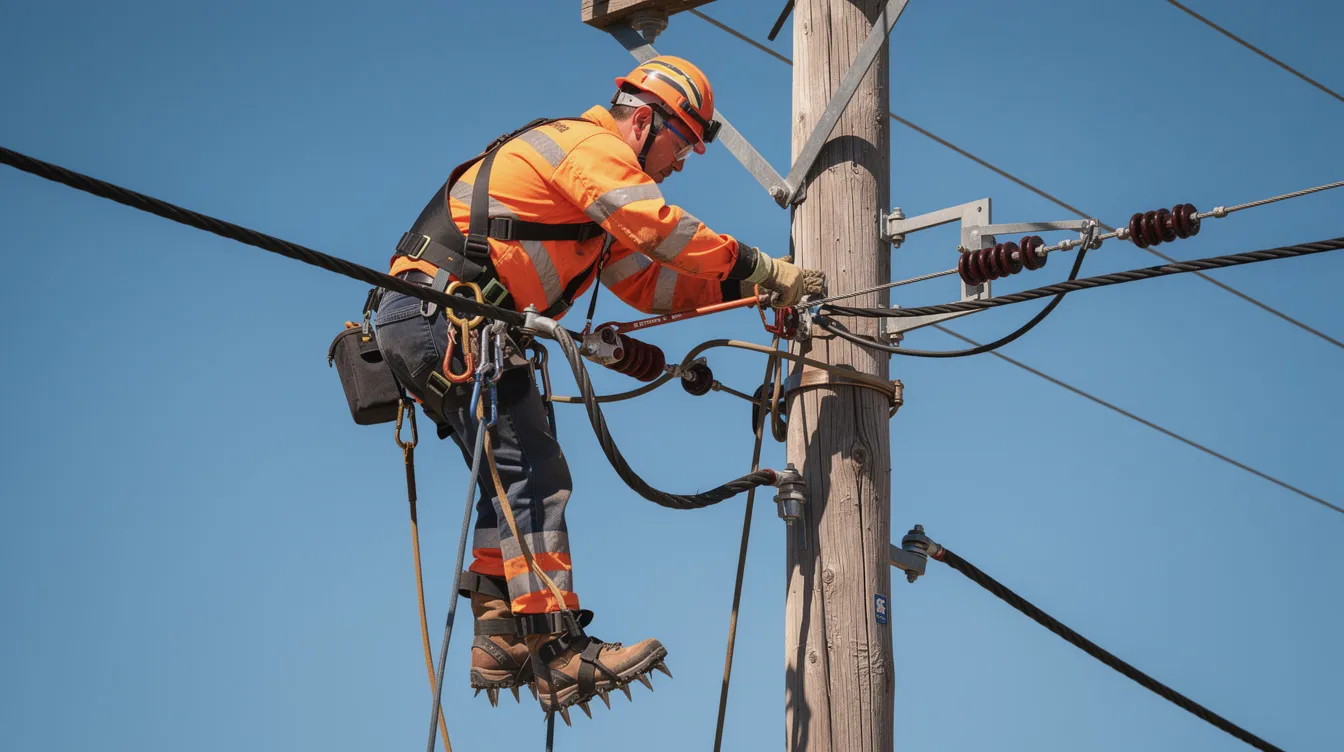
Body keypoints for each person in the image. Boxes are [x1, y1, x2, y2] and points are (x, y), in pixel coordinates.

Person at [372, 55, 823, 720]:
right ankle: (556, 648)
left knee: (515, 469)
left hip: (448, 321)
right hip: (445, 316)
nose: (682, 162)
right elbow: (659, 229)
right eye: (682, 144)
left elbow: (652, 280)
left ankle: (500, 635)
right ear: (643, 121)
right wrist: (760, 265)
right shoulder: (592, 150)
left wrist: (752, 287)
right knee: (531, 468)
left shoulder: (597, 194)